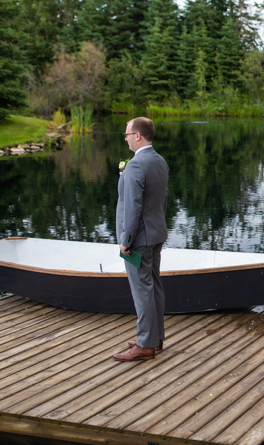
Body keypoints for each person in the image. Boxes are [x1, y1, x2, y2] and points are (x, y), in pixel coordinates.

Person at [113, 117, 169, 361]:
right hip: (156, 233)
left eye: (127, 134)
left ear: (138, 136)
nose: (125, 138)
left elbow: (133, 207)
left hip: (139, 238)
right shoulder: (160, 161)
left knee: (141, 290)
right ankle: (155, 338)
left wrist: (126, 240)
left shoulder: (136, 165)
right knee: (154, 285)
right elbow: (162, 200)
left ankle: (145, 344)